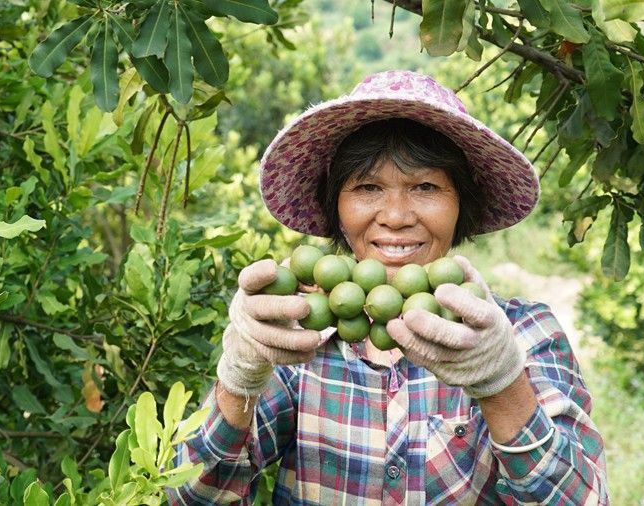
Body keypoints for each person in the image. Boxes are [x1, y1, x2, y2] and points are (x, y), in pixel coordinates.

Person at [167, 70, 609, 505]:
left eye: (425, 186)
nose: (395, 216)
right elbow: (188, 496)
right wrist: (240, 376)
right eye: (368, 186)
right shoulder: (297, 341)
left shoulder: (523, 334)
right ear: (336, 205)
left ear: (461, 205)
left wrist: (501, 384)